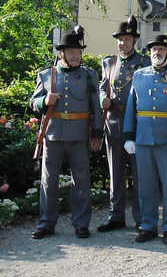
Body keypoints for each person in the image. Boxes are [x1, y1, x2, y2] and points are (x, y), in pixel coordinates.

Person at [123, 32, 167, 244]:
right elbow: (131, 108)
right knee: (145, 185)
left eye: (161, 49)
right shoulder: (139, 75)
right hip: (143, 137)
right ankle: (148, 226)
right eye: (154, 49)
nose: (156, 52)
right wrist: (129, 135)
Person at [29, 26, 102, 239]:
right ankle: (46, 223)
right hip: (52, 137)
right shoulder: (46, 75)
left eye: (78, 52)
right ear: (61, 53)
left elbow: (96, 108)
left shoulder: (89, 75)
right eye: (71, 52)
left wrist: (97, 135)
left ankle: (81, 224)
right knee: (48, 182)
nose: (76, 55)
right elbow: (33, 102)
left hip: (79, 136)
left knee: (81, 181)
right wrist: (44, 100)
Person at [96, 16, 150, 233]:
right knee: (115, 174)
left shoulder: (145, 63)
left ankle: (140, 217)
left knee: (139, 175)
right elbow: (101, 88)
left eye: (127, 39)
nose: (123, 43)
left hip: (138, 125)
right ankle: (116, 215)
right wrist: (102, 100)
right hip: (114, 123)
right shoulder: (109, 63)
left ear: (134, 41)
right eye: (120, 39)